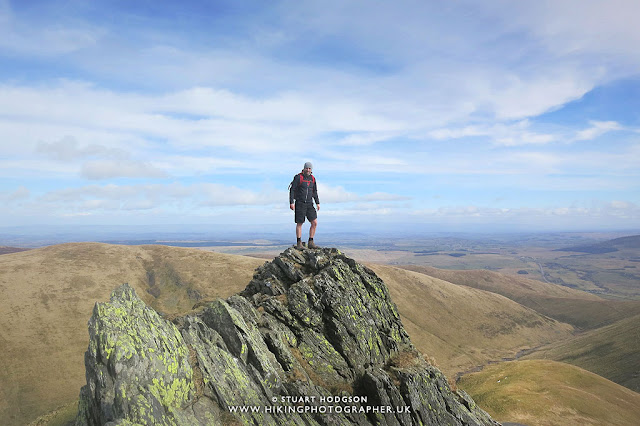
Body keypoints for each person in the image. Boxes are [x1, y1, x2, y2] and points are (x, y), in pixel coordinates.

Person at [289, 162, 320, 249]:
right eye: (307, 168)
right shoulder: (298, 177)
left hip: (310, 203)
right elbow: (292, 190)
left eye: (309, 168)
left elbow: (315, 192)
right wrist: (291, 202)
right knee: (300, 223)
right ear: (304, 168)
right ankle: (299, 243)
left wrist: (317, 202)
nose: (308, 170)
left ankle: (311, 242)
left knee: (314, 222)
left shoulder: (312, 179)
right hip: (300, 203)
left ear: (311, 170)